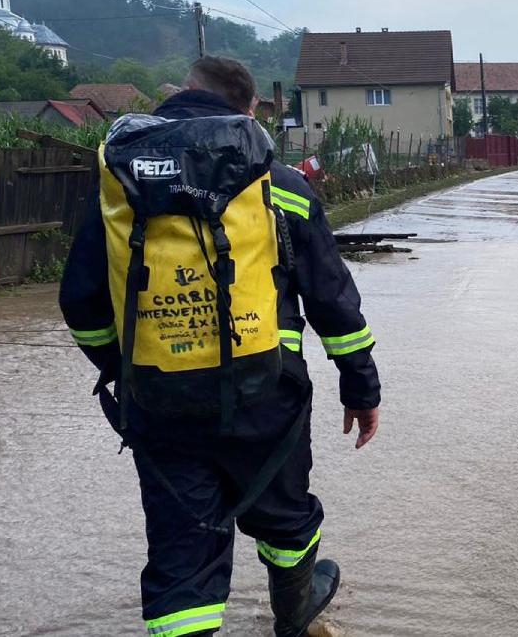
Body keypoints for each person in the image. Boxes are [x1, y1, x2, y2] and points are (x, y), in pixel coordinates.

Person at [59, 56, 381, 637]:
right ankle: (295, 613)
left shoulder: (124, 186)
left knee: (183, 561)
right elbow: (332, 301)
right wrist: (361, 386)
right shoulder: (283, 186)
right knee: (285, 521)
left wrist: (130, 369)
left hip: (160, 403)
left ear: (183, 95)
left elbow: (81, 304)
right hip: (267, 398)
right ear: (251, 111)